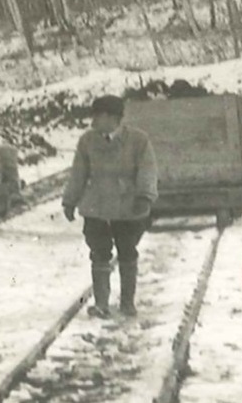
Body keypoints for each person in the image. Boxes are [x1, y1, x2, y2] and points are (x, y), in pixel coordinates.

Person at [62, 95, 158, 318]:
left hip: (128, 208)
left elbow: (147, 170)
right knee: (98, 253)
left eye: (98, 116)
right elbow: (78, 173)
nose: (93, 121)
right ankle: (102, 304)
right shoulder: (87, 141)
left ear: (112, 118)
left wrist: (144, 196)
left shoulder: (138, 140)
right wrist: (70, 201)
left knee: (127, 252)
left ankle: (127, 303)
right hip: (96, 207)